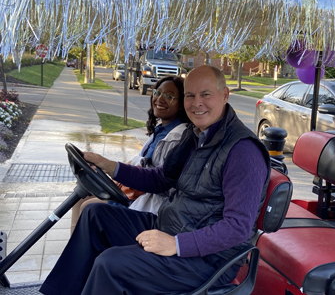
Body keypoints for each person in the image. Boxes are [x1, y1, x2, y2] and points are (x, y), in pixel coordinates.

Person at [39, 65, 270, 295]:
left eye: (205, 94)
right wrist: (110, 166)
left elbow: (238, 228)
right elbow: (161, 179)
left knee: (111, 264)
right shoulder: (196, 135)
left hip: (208, 261)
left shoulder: (243, 151)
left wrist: (176, 245)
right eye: (190, 95)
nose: (196, 103)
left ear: (225, 94)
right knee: (95, 215)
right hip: (171, 228)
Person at [70, 76, 190, 233]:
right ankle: (76, 246)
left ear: (181, 104)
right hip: (136, 193)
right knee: (80, 197)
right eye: (157, 93)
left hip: (150, 205)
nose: (160, 99)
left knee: (89, 207)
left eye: (169, 96)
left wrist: (113, 169)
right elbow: (137, 162)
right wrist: (104, 168)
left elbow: (156, 180)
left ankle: (85, 251)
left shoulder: (177, 138)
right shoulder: (161, 130)